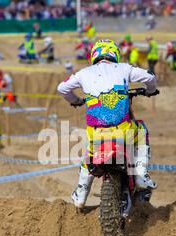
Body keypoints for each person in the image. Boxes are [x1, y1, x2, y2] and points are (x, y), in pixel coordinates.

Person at [57, 39, 159, 209]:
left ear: (94, 55)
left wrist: (76, 101)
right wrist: (149, 90)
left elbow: (62, 88)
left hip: (96, 133)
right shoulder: (125, 68)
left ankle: (80, 195)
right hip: (123, 129)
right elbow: (149, 77)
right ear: (115, 54)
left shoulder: (83, 73)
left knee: (89, 155)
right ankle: (141, 174)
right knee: (141, 130)